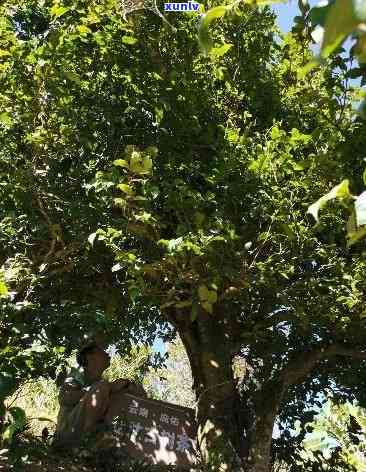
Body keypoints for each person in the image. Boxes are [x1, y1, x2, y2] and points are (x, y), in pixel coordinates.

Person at [55, 341, 147, 447]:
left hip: (90, 434)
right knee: (102, 387)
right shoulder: (77, 375)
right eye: (102, 352)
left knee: (117, 392)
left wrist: (129, 388)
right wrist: (102, 388)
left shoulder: (100, 382)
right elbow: (64, 398)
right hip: (68, 433)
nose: (107, 354)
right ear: (90, 357)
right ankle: (84, 445)